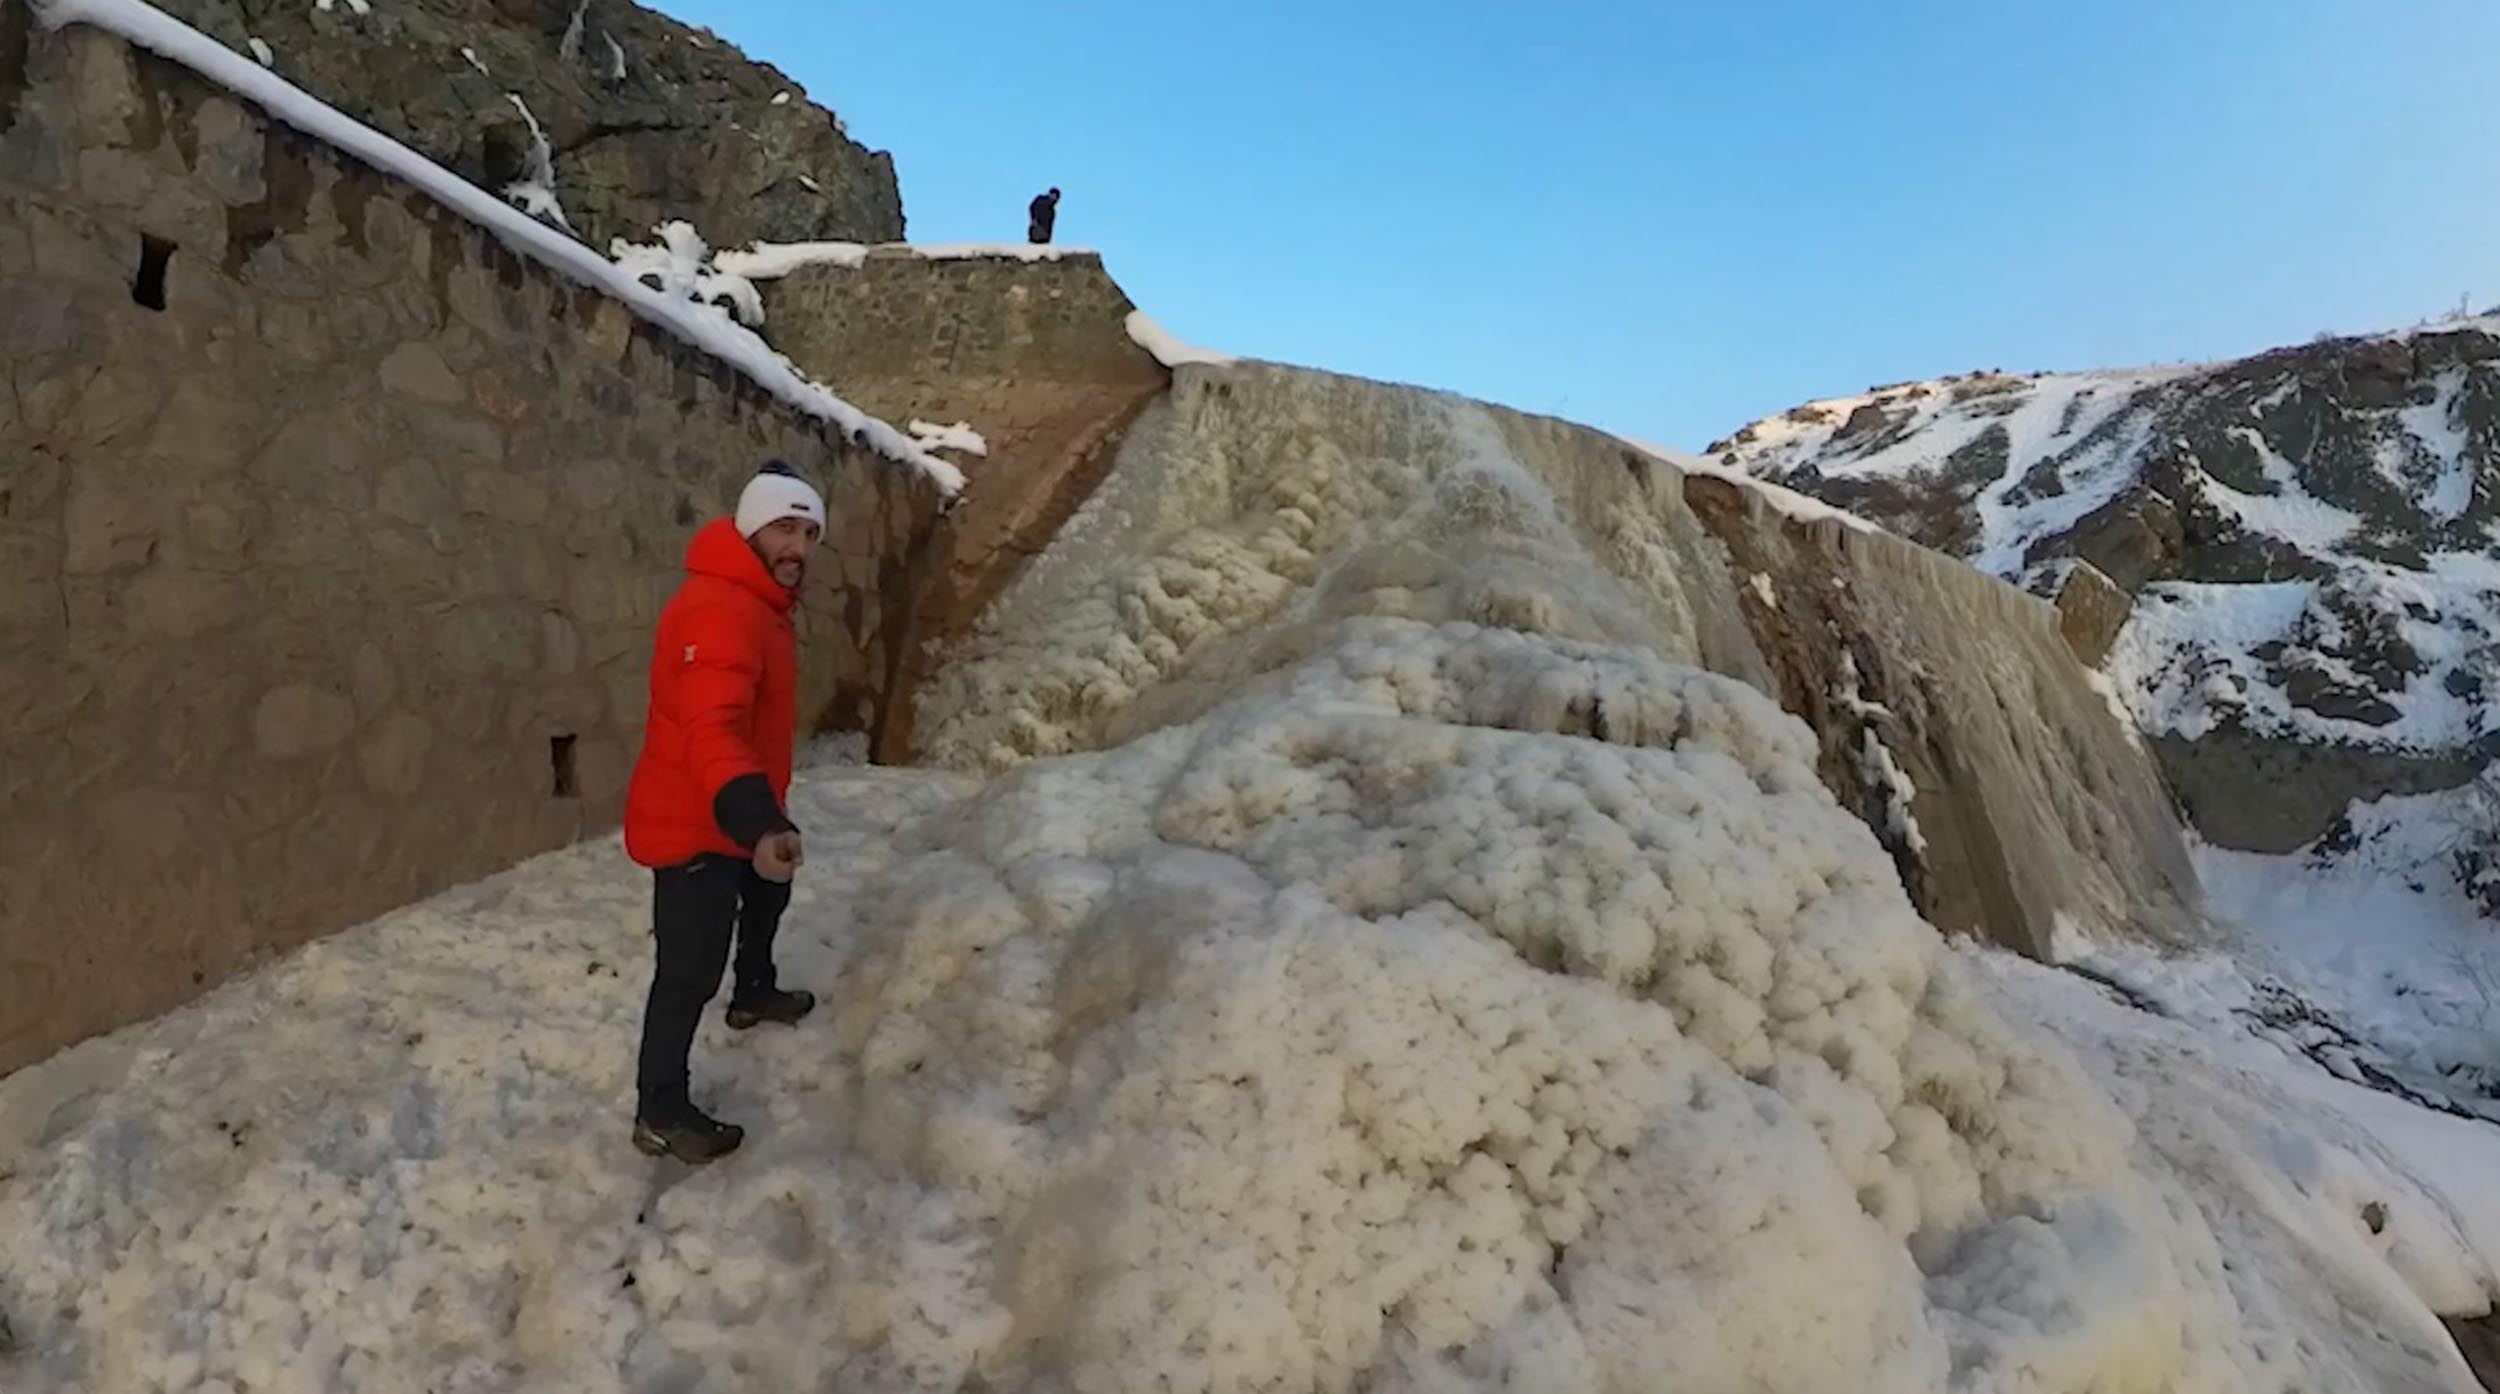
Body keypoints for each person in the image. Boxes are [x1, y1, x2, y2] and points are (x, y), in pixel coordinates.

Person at [622, 461, 827, 1164]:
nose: (797, 545)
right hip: (695, 822)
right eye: (784, 527)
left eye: (809, 531)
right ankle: (660, 1109)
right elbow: (710, 727)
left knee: (769, 890)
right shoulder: (722, 609)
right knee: (687, 969)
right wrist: (759, 822)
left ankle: (756, 990)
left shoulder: (759, 603)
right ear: (749, 528)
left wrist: (762, 818)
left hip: (734, 808)